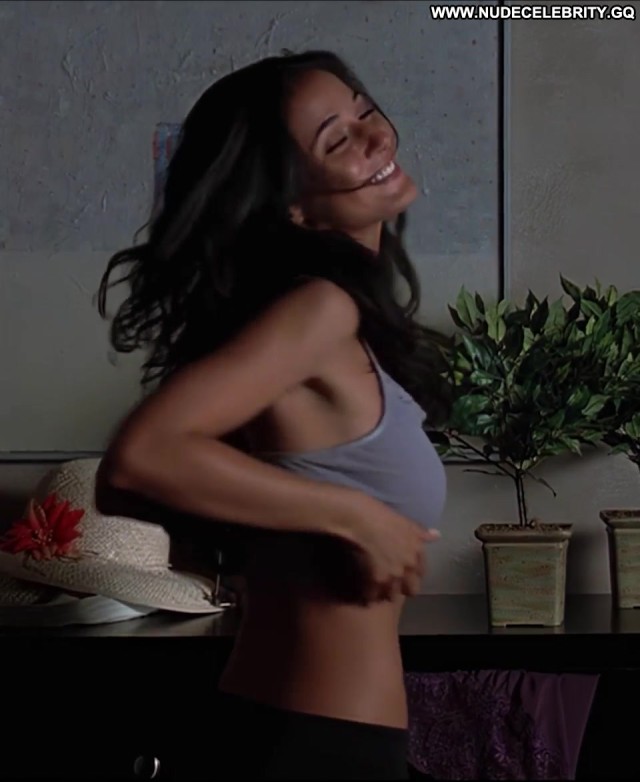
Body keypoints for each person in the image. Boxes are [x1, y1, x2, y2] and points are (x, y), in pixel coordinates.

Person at [96, 49, 450, 780]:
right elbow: (139, 460)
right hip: (315, 746)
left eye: (363, 110)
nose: (374, 135)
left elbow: (137, 493)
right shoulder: (319, 309)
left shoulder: (333, 319)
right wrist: (357, 517)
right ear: (293, 205)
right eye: (337, 139)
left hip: (303, 732)